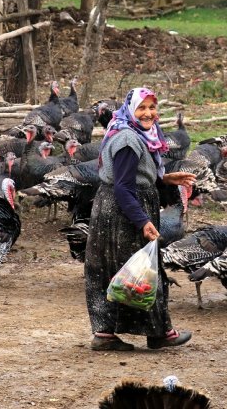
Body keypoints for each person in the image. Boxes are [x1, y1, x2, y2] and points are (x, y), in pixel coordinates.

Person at [85, 87, 196, 351]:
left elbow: (132, 174)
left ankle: (106, 333)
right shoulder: (128, 139)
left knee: (114, 268)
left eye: (152, 107)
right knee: (143, 267)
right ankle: (157, 333)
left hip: (117, 206)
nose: (148, 113)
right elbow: (123, 186)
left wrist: (165, 178)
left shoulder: (135, 133)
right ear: (130, 110)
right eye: (142, 108)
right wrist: (143, 221)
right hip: (123, 210)